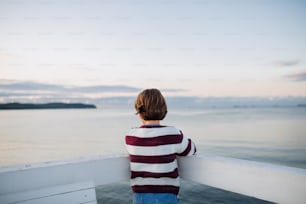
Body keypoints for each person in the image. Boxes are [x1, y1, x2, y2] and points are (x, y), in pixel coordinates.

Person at [125, 88, 196, 204]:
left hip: (140, 197)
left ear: (139, 111)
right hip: (167, 196)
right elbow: (190, 150)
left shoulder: (130, 136)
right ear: (163, 109)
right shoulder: (173, 133)